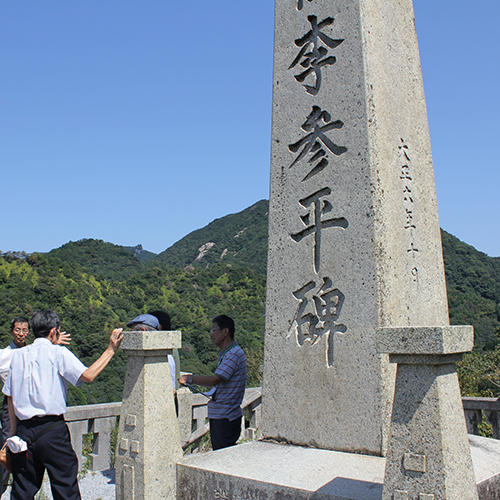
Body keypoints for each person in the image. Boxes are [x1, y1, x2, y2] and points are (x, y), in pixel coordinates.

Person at [2, 310, 123, 500]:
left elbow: (10, 397)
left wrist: (11, 435)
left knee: (22, 490)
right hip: (53, 431)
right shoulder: (58, 352)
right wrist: (111, 349)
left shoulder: (18, 356)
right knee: (65, 487)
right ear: (54, 332)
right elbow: (88, 375)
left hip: (24, 432)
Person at [0, 317, 71, 497]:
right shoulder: (7, 354)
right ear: (11, 332)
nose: (21, 333)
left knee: (26, 469)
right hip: (14, 409)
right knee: (11, 456)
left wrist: (49, 344)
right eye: (17, 330)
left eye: (25, 330)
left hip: (31, 413)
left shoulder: (29, 351)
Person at [179, 315, 246, 450]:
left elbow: (216, 379)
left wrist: (189, 379)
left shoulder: (233, 354)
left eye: (214, 330)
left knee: (223, 456)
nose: (211, 334)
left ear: (225, 332)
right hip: (224, 415)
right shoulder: (228, 353)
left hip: (225, 417)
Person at [126, 312, 179, 413]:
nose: (130, 334)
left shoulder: (161, 356)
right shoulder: (165, 353)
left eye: (133, 330)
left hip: (159, 409)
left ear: (143, 330)